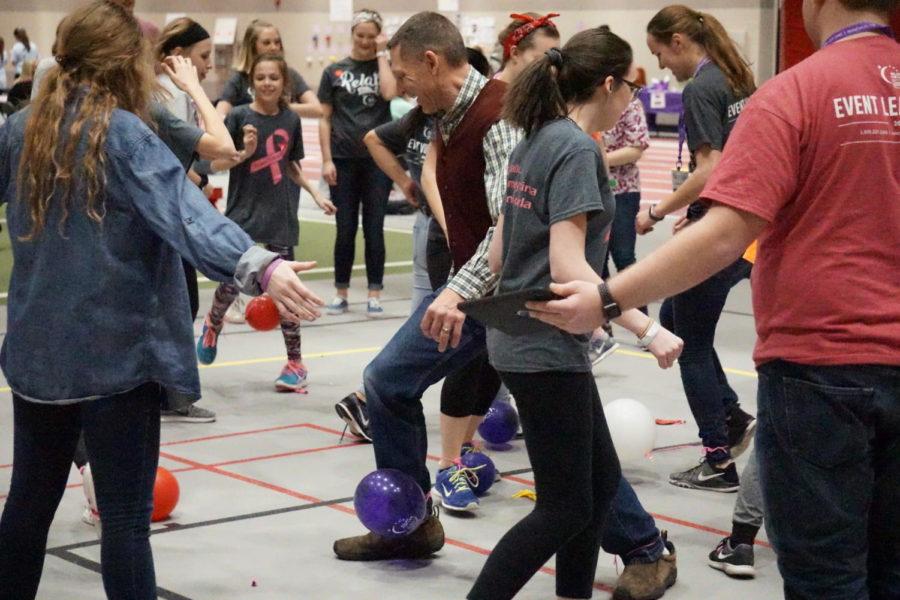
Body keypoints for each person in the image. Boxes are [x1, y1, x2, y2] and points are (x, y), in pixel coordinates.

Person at [524, 1, 899, 598]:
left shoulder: (796, 91)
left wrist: (608, 298)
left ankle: (719, 446)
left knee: (827, 575)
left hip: (823, 365)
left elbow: (726, 233)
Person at [0, 2, 323, 598]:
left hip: (38, 357)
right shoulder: (120, 133)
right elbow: (188, 216)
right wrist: (264, 266)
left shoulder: (22, 129)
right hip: (116, 358)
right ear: (126, 64)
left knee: (27, 508)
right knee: (124, 523)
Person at [467, 29, 683, 600]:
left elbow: (497, 249)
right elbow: (566, 263)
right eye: (631, 86)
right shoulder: (578, 147)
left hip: (527, 341)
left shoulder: (533, 140)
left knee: (597, 487)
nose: (632, 99)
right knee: (564, 508)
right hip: (543, 345)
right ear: (609, 84)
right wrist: (645, 325)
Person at [635, 5, 758, 493]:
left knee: (689, 343)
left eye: (660, 53)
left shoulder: (701, 89)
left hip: (725, 227)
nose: (663, 65)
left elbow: (711, 167)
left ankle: (717, 459)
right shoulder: (736, 78)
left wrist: (658, 211)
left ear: (679, 43)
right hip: (742, 220)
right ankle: (729, 416)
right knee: (674, 322)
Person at [197, 54, 335, 393]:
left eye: (274, 77)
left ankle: (295, 363)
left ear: (283, 82)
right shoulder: (240, 116)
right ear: (251, 82)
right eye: (261, 77)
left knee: (287, 292)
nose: (268, 83)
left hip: (279, 217)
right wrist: (244, 151)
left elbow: (290, 164)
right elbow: (218, 161)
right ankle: (213, 325)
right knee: (232, 282)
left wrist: (315, 196)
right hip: (243, 215)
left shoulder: (290, 119)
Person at [318, 9, 397, 317]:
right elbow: (325, 119)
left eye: (370, 36)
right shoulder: (334, 71)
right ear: (351, 35)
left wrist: (381, 53)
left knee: (374, 228)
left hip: (377, 161)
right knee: (345, 227)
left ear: (377, 37)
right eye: (359, 35)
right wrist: (326, 160)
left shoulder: (385, 67)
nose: (364, 41)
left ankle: (374, 292)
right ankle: (341, 291)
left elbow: (390, 93)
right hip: (343, 159)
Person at [216, 19, 321, 119]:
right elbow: (220, 114)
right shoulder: (239, 79)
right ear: (252, 47)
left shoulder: (290, 75)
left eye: (277, 42)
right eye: (266, 43)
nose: (274, 47)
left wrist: (277, 107)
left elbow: (317, 109)